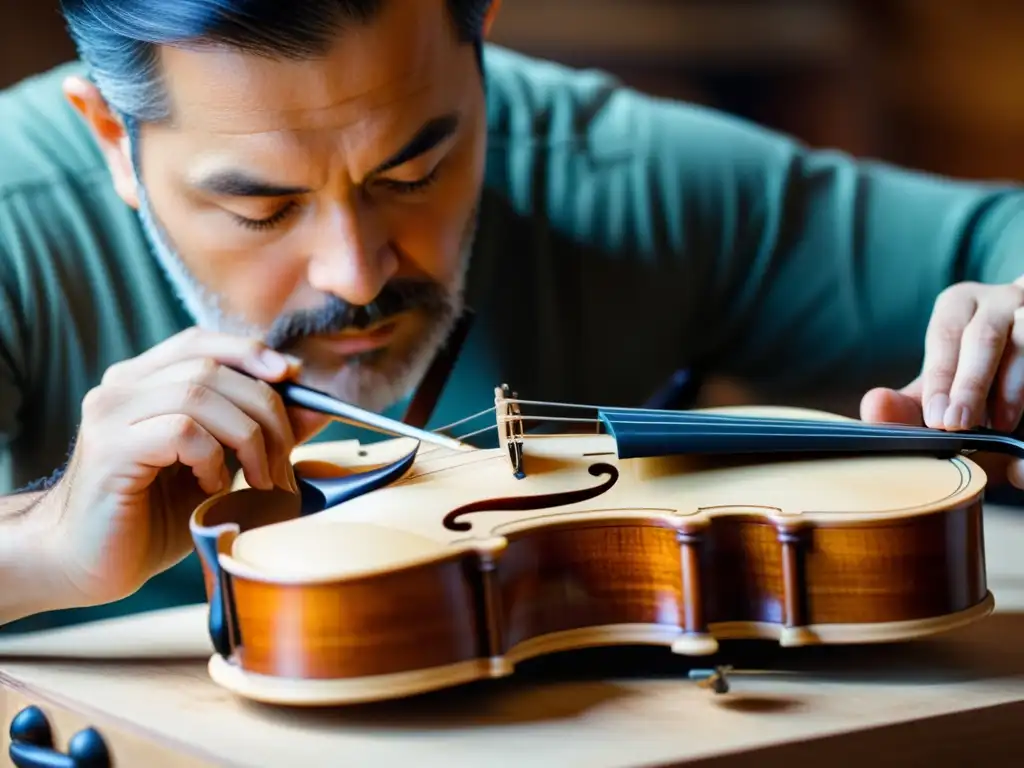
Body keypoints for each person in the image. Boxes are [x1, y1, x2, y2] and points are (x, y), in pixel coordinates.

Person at [2, 0, 1024, 634]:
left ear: (480, 42)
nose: (356, 274)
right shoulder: (15, 215)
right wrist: (46, 542)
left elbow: (1000, 233)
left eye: (416, 169)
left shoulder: (606, 171)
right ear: (109, 138)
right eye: (259, 206)